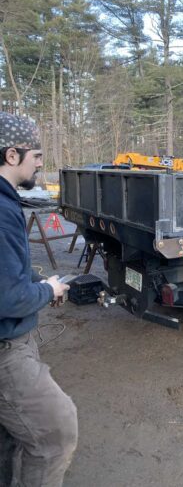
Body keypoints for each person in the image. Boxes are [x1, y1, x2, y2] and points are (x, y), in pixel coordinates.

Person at [0, 112, 78, 486]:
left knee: (11, 435)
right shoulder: (2, 211)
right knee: (56, 434)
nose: (41, 163)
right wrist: (49, 290)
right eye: (36, 155)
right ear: (11, 155)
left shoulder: (6, 202)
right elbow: (11, 299)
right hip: (6, 349)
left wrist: (41, 282)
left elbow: (10, 270)